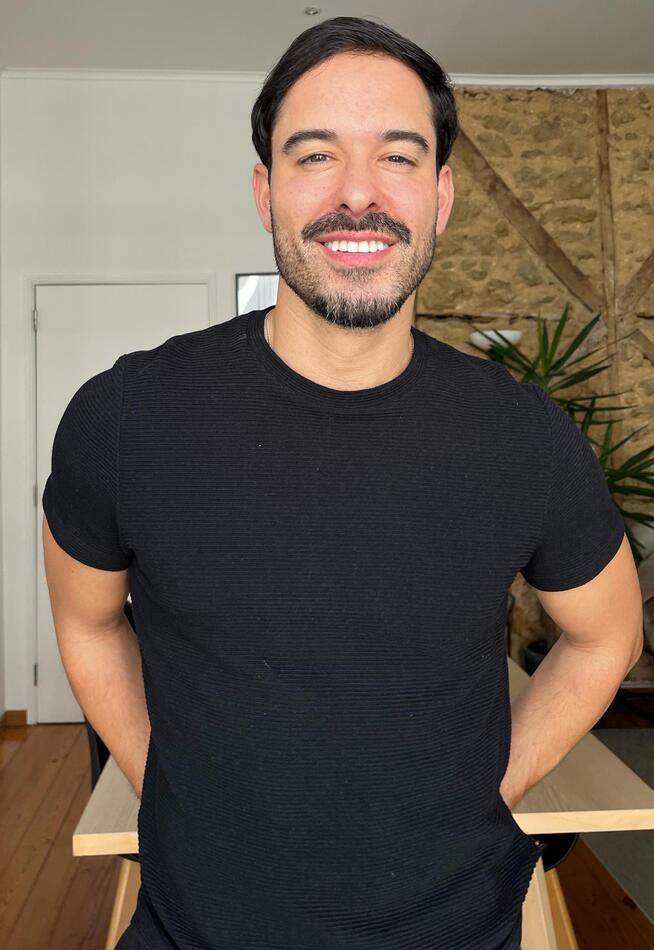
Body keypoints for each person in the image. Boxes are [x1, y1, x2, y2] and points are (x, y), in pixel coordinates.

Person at [42, 15, 643, 950]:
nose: (358, 194)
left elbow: (606, 636)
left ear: (441, 196)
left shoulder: (524, 438)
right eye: (316, 154)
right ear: (265, 191)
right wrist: (165, 778)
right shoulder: (123, 418)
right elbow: (87, 622)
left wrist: (495, 783)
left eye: (398, 157)